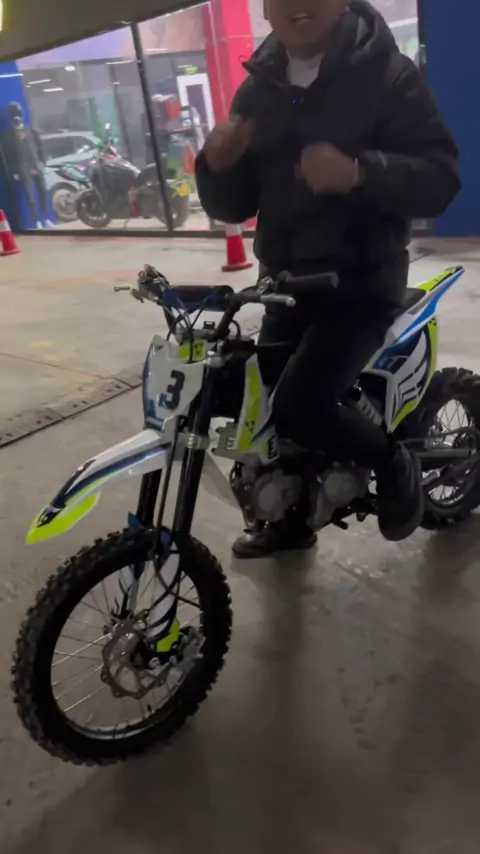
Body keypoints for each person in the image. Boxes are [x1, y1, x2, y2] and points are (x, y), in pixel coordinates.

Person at [195, 0, 460, 558]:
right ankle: (293, 519)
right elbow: (235, 205)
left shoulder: (389, 74)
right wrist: (217, 168)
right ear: (265, 9)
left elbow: (441, 178)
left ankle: (394, 462)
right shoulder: (259, 88)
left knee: (302, 404)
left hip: (360, 283)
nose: (298, 4)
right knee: (260, 406)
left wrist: (360, 173)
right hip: (285, 283)